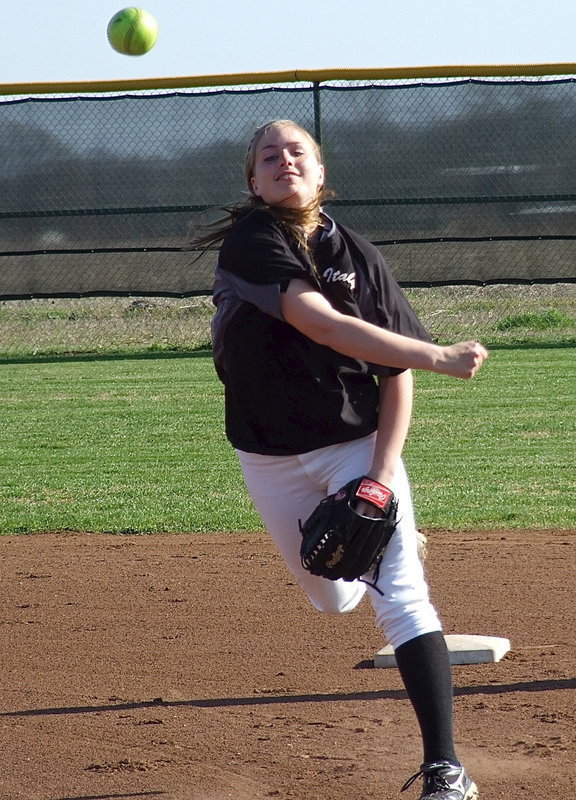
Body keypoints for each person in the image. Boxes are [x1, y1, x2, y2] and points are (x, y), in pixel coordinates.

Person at [192, 119, 486, 800]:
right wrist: (440, 355)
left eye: (297, 151)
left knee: (404, 597)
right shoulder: (252, 242)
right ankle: (389, 544)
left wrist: (382, 475)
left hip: (353, 443)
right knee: (331, 598)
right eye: (269, 155)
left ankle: (446, 769)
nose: (283, 158)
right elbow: (318, 321)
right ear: (255, 182)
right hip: (268, 457)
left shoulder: (360, 255)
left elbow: (394, 374)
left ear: (321, 175)